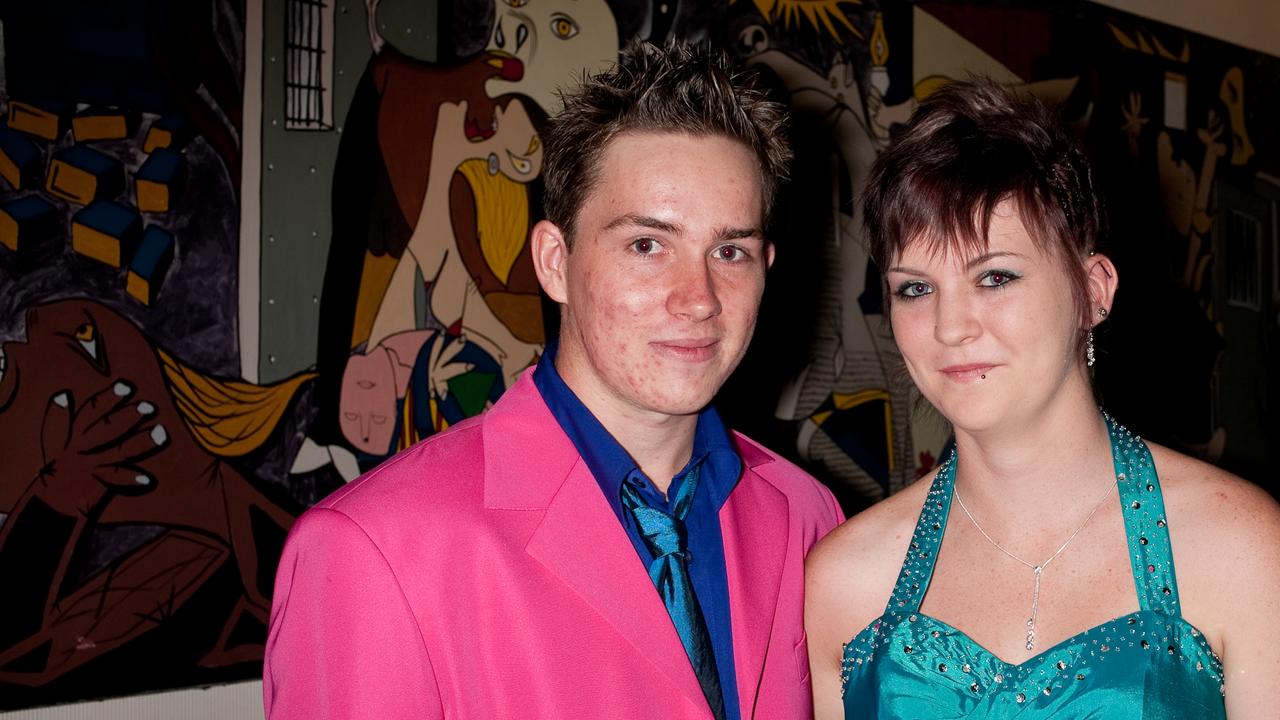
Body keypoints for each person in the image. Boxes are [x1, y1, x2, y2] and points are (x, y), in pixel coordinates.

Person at [264, 40, 844, 719]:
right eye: (647, 245)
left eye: (730, 250)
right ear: (553, 261)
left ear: (766, 266)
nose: (699, 298)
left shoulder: (809, 518)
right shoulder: (372, 549)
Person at [805, 78, 1280, 719]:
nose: (951, 327)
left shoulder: (1241, 547)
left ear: (1093, 290)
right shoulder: (844, 580)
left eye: (995, 277)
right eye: (915, 289)